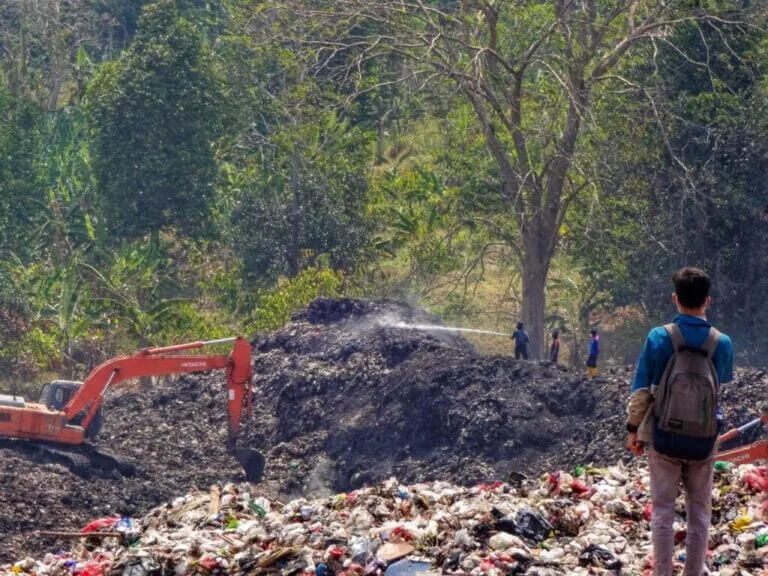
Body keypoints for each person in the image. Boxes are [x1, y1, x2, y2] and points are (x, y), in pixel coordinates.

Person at [625, 267, 733, 576]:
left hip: (664, 436)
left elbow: (642, 392)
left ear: (675, 298)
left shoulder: (660, 337)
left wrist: (633, 430)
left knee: (662, 511)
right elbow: (719, 386)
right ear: (707, 301)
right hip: (704, 439)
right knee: (699, 513)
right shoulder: (721, 342)